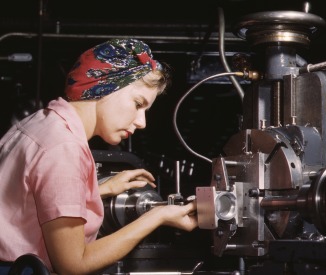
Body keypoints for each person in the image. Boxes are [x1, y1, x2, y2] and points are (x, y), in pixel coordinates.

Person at [0, 38, 198, 274]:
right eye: (138, 104)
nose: (142, 122)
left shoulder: (40, 123)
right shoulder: (64, 147)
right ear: (106, 87)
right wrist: (157, 216)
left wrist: (100, 189)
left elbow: (29, 199)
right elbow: (74, 264)